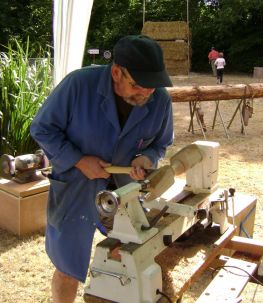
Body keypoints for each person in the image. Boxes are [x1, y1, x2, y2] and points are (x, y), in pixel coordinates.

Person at [30, 35, 174, 303]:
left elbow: (161, 144)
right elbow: (42, 128)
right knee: (68, 267)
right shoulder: (78, 85)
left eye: (154, 86)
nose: (147, 93)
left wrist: (147, 158)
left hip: (125, 192)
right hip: (75, 187)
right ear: (117, 72)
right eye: (139, 85)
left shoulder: (160, 100)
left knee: (136, 256)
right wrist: (78, 160)